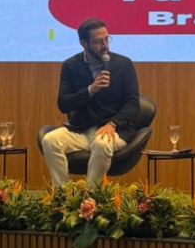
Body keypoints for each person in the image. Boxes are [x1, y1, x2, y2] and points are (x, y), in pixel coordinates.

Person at [42, 18, 140, 186]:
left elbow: (133, 103)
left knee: (102, 144)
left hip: (114, 129)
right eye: (97, 42)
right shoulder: (71, 65)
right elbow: (64, 104)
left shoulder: (123, 64)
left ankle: (92, 197)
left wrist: (113, 124)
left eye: (106, 39)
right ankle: (63, 194)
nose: (104, 45)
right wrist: (90, 90)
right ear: (84, 43)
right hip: (81, 129)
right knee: (49, 140)